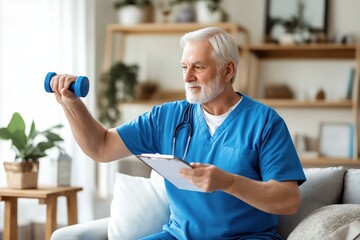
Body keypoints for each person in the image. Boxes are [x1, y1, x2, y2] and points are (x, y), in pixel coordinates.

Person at [50, 27, 306, 239]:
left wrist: (228, 183)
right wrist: (72, 104)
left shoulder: (265, 122)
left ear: (228, 71)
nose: (187, 77)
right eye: (184, 67)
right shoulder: (167, 117)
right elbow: (101, 147)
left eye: (198, 67)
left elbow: (288, 200)